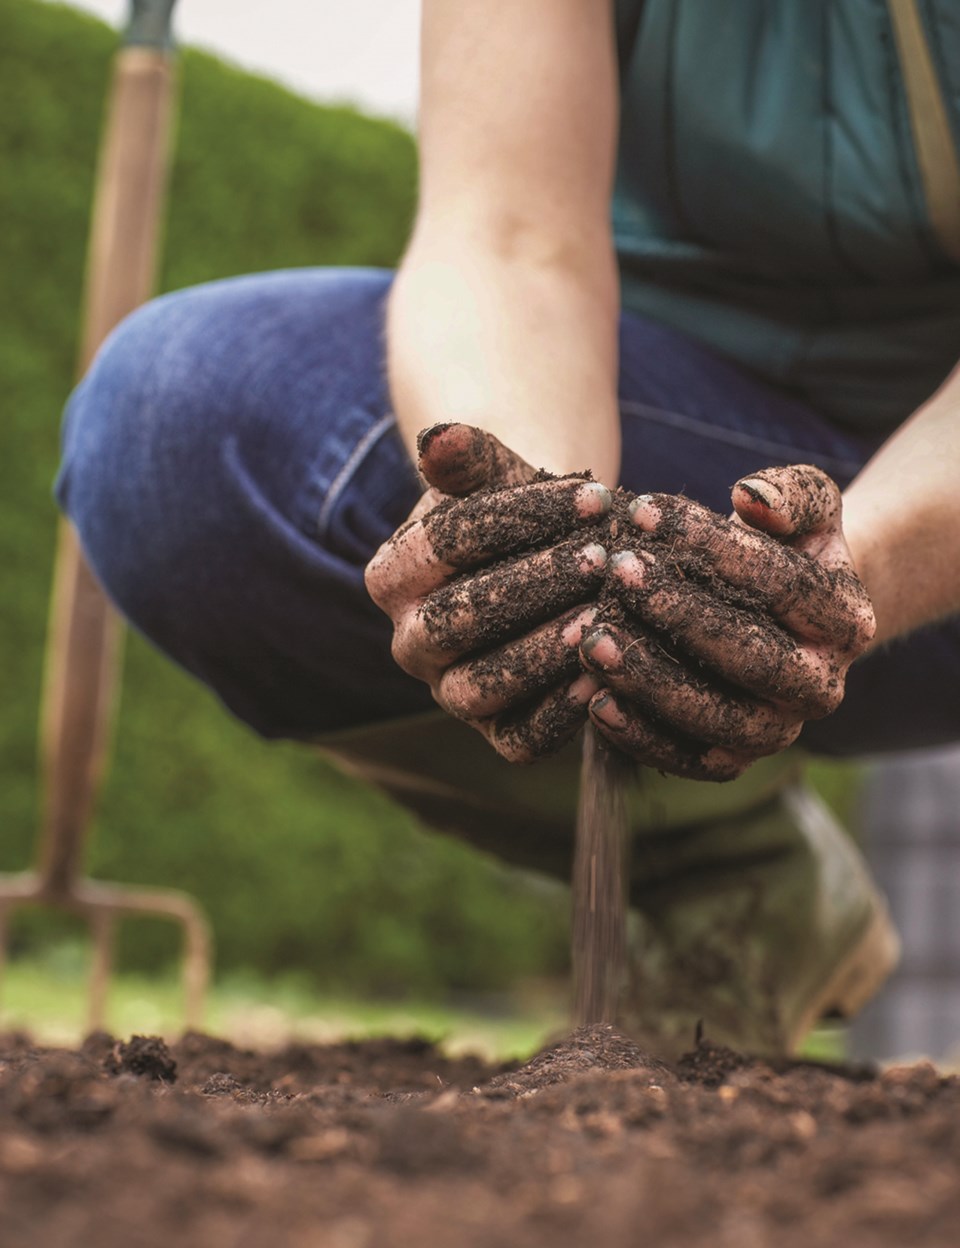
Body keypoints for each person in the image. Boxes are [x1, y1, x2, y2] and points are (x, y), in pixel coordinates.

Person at [56, 1, 960, 1055]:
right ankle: (727, 873)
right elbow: (512, 239)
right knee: (178, 413)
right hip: (687, 426)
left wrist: (862, 568)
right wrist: (526, 520)